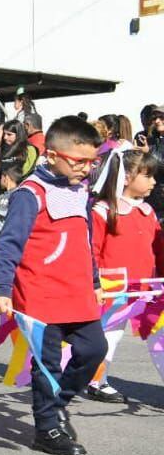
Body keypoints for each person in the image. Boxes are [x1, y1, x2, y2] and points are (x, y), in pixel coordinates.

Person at [0, 116, 108, 455]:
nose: (86, 169)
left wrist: (95, 281)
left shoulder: (80, 191)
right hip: (40, 294)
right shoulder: (30, 193)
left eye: (92, 162)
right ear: (52, 154)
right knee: (47, 366)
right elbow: (9, 243)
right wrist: (1, 288)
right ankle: (47, 428)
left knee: (93, 350)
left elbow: (85, 241)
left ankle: (58, 404)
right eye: (79, 161)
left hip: (77, 292)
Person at [84, 148, 161, 404]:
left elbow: (158, 249)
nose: (153, 181)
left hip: (149, 288)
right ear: (127, 177)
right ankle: (97, 381)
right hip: (114, 288)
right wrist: (94, 283)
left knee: (160, 337)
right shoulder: (104, 210)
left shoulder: (148, 211)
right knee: (109, 335)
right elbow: (91, 250)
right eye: (148, 175)